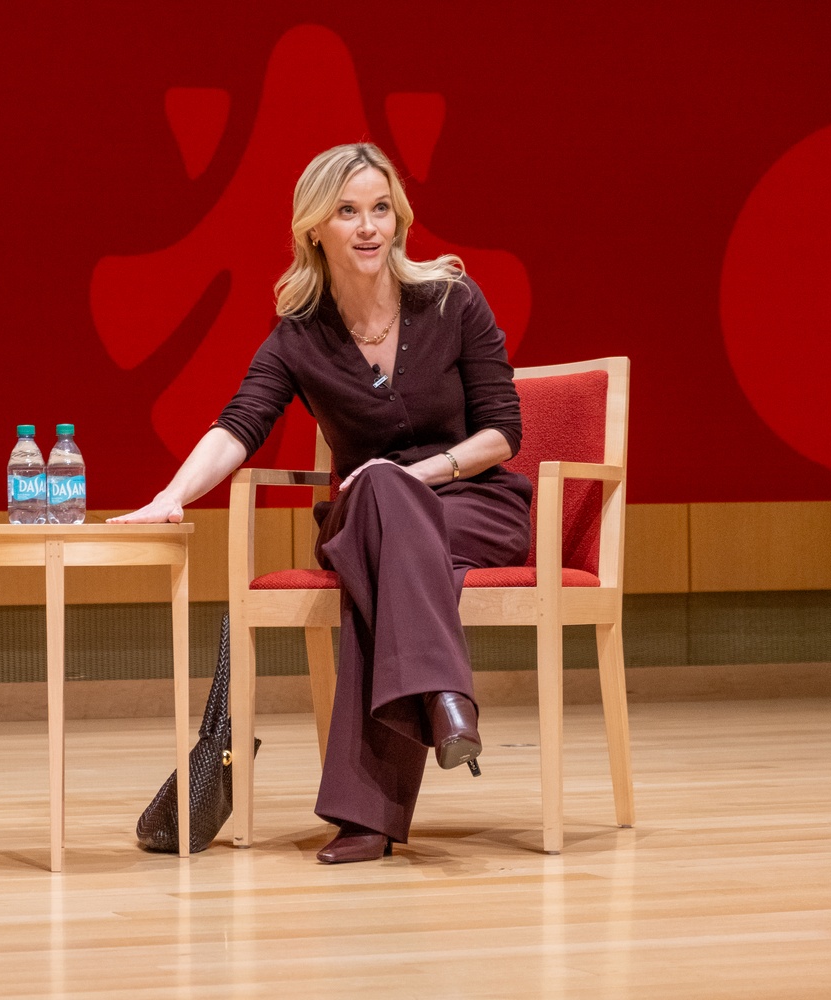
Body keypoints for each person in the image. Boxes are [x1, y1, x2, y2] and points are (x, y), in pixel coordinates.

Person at [111, 143, 532, 863]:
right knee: (375, 505)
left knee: (382, 512)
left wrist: (415, 476)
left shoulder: (453, 300)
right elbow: (237, 425)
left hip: (473, 506)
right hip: (366, 520)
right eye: (347, 212)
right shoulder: (300, 337)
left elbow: (504, 432)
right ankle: (441, 700)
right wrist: (169, 496)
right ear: (315, 229)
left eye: (379, 209)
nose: (368, 227)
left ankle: (368, 817)